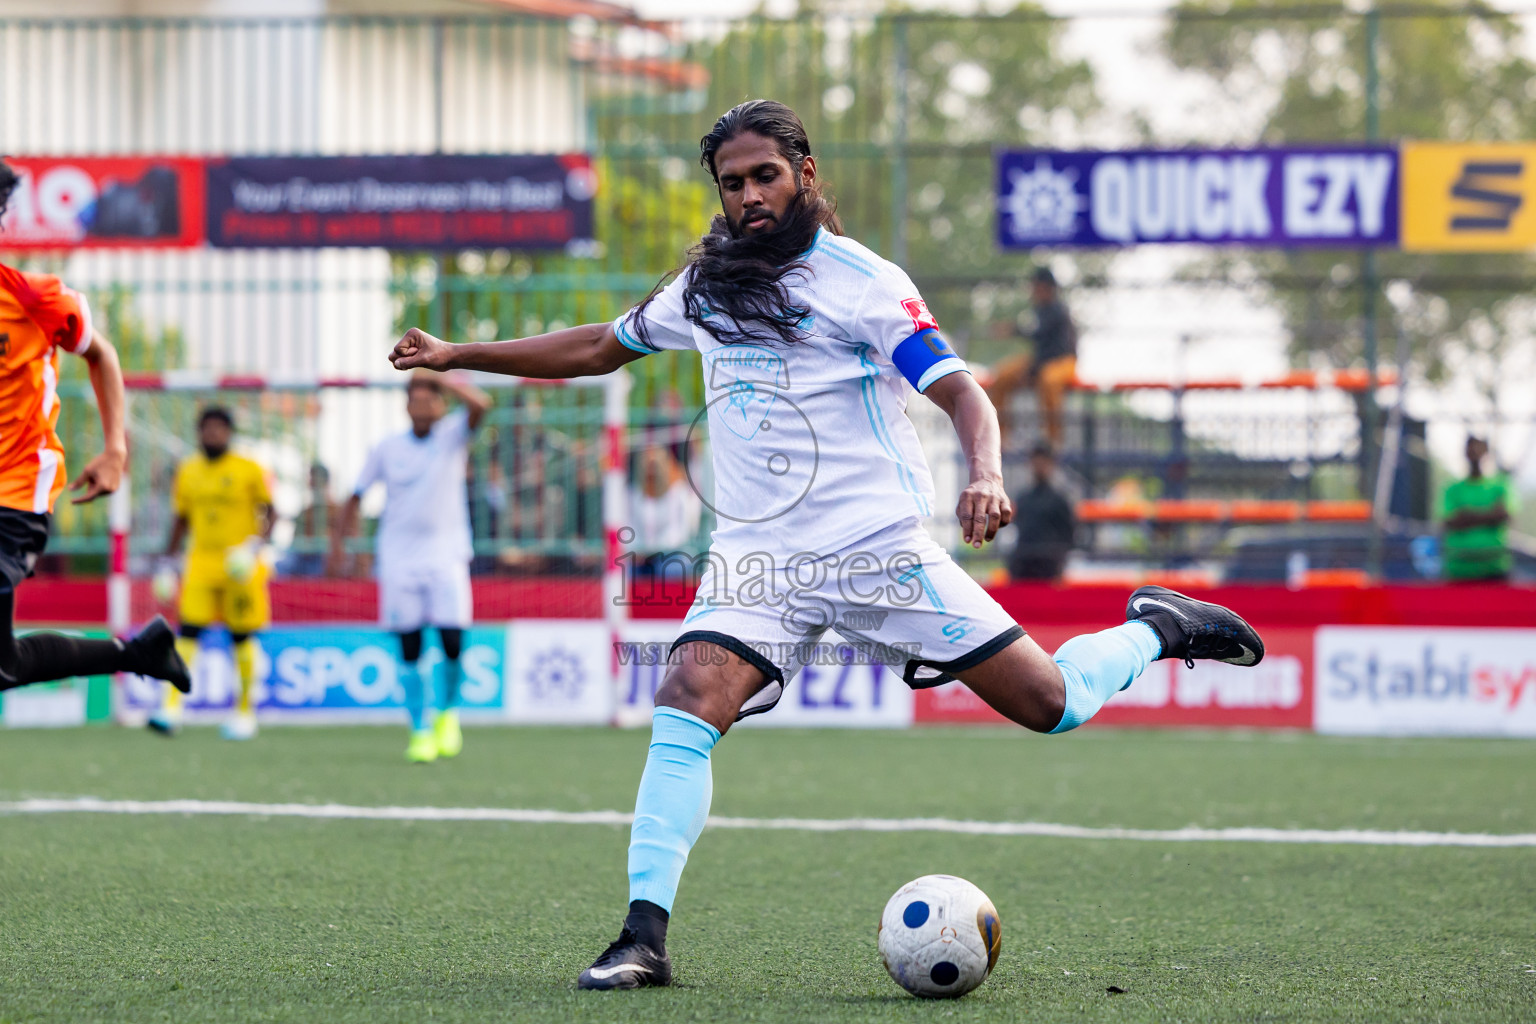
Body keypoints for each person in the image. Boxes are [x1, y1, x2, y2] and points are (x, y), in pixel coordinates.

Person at [387, 100, 1265, 990]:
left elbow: (965, 394)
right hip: (756, 561)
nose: (748, 196)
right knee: (688, 695)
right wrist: (457, 352)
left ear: (804, 174)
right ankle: (641, 938)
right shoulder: (704, 287)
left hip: (875, 549)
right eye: (732, 184)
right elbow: (597, 348)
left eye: (764, 175)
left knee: (1051, 703)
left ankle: (1157, 627)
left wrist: (986, 472)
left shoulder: (864, 281)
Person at [0, 160, 188, 696]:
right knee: (2, 667)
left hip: (14, 495)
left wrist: (115, 448)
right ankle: (139, 653)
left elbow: (101, 355)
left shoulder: (33, 298)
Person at [329, 371, 491, 763]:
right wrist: (339, 542)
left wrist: (440, 375)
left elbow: (481, 405)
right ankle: (419, 728)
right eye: (415, 400)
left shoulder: (452, 436)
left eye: (429, 400)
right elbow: (355, 494)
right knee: (410, 648)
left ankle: (447, 715)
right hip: (400, 558)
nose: (422, 407)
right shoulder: (387, 447)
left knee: (453, 642)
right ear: (405, 406)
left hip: (446, 555)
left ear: (439, 405)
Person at [154, 407, 274, 739]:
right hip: (200, 564)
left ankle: (245, 712)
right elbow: (181, 519)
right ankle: (171, 707)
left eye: (219, 429)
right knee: (188, 633)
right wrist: (167, 561)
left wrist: (254, 546)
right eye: (207, 429)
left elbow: (272, 512)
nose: (213, 435)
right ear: (199, 433)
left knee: (242, 638)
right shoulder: (188, 470)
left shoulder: (249, 469)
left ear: (229, 433)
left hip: (240, 567)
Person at [984, 266, 1078, 448]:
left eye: (1037, 286)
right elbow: (1035, 340)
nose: (1034, 291)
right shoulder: (1038, 310)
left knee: (1049, 380)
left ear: (1047, 288)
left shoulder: (1058, 310)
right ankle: (1001, 435)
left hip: (1063, 360)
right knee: (1003, 375)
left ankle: (1053, 439)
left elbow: (1051, 345)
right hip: (1040, 360)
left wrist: (1032, 370)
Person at [1441, 435, 1516, 582]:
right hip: (1459, 569)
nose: (1475, 455)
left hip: (1495, 568)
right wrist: (1489, 515)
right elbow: (1451, 522)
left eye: (1479, 450)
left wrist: (1467, 515)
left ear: (1487, 453)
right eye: (1471, 450)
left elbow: (1503, 517)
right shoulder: (1452, 489)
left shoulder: (1500, 486)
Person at [1008, 442, 1076, 581]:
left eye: (1043, 462)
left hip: (1049, 565)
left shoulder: (1060, 500)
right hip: (1023, 564)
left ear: (1051, 465)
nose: (1039, 467)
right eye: (1036, 462)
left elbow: (1069, 535)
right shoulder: (1023, 498)